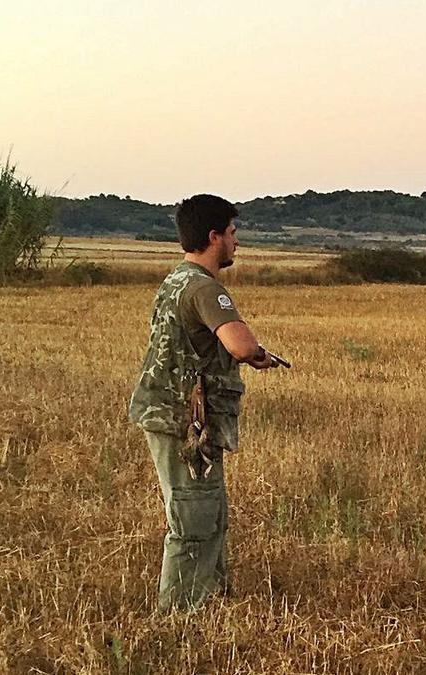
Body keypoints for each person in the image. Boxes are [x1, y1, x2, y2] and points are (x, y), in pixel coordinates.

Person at [128, 194, 283, 612]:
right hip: (185, 422)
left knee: (210, 513)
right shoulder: (205, 288)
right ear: (213, 236)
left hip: (175, 415)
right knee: (194, 520)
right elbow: (240, 343)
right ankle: (179, 619)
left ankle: (213, 605)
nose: (237, 242)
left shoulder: (175, 280)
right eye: (232, 233)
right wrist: (257, 354)